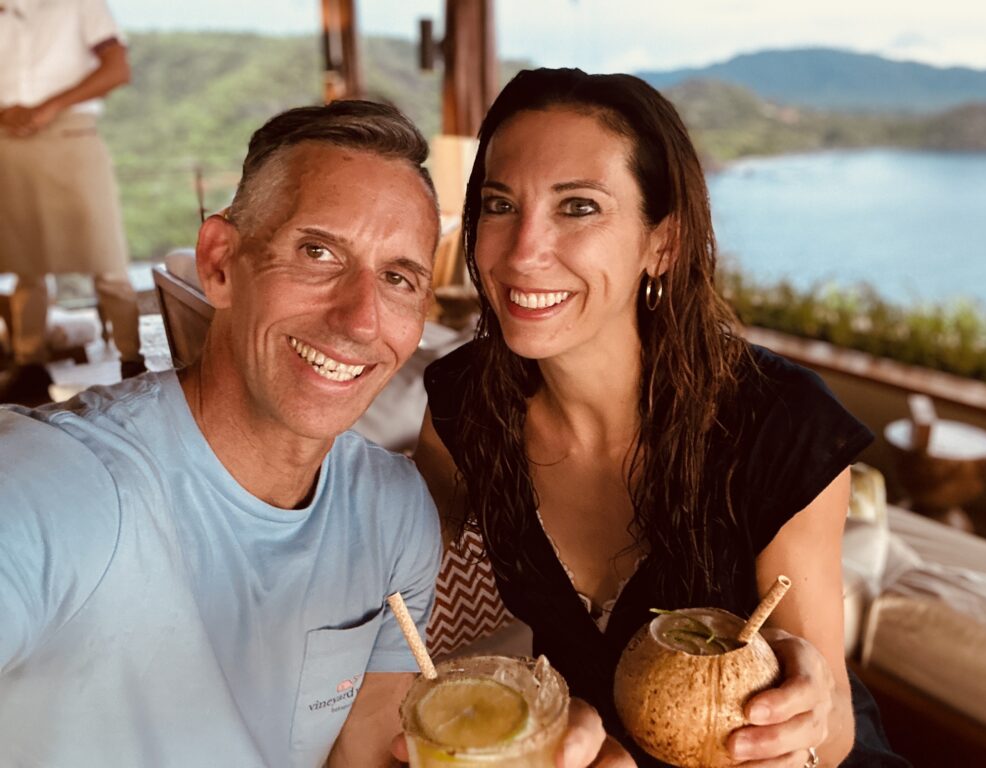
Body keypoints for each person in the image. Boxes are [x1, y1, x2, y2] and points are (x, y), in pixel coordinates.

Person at [0, 99, 619, 768]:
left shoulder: (393, 514)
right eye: (318, 251)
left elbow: (366, 754)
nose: (359, 319)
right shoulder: (55, 489)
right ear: (219, 262)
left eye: (396, 277)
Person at [415, 68, 910, 767]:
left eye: (578, 207)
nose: (523, 252)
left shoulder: (782, 427)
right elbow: (375, 581)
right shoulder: (464, 409)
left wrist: (803, 704)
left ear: (663, 243)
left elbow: (829, 739)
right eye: (499, 204)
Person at [0, 0, 144, 406]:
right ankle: (29, 367)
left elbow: (118, 69)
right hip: (8, 142)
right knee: (26, 265)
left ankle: (132, 361)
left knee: (107, 258)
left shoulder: (80, 4)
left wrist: (47, 109)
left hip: (72, 137)